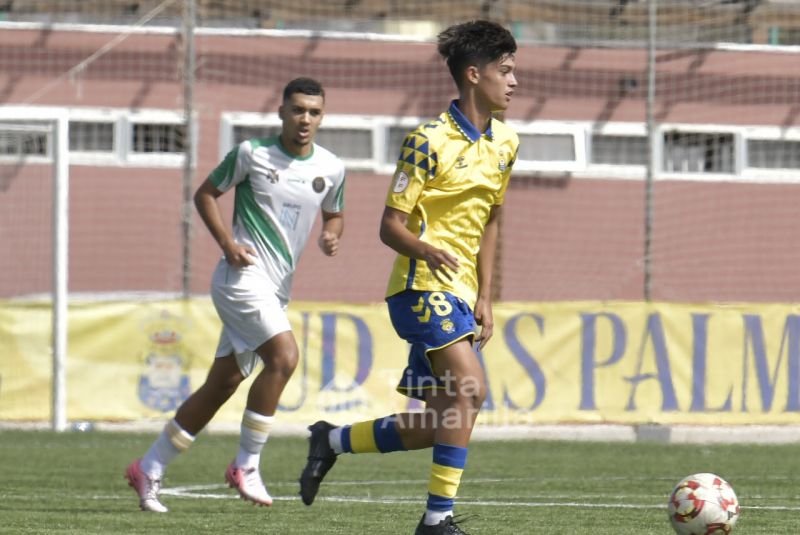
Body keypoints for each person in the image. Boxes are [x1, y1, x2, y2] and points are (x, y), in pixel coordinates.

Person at [299, 20, 518, 535]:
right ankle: (436, 522)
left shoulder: (506, 143)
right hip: (420, 289)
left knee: (440, 424)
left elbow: (492, 220)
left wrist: (487, 295)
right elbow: (389, 227)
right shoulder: (427, 141)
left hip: (463, 298)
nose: (514, 82)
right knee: (472, 390)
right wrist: (427, 250)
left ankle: (328, 442)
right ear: (473, 74)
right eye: (504, 71)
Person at [125, 77, 345, 513]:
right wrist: (227, 243)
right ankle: (246, 464)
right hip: (241, 279)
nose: (305, 119)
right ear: (281, 111)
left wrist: (330, 235)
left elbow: (335, 215)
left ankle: (148, 467)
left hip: (276, 290)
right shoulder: (252, 154)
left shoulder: (332, 168)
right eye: (298, 109)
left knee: (223, 383)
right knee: (284, 358)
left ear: (322, 117)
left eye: (314, 112)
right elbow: (205, 194)